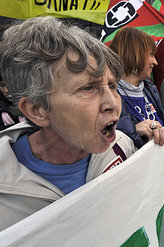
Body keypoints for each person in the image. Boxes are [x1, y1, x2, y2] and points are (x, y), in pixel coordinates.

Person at [0, 17, 136, 231]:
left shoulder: (122, 146)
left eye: (112, 85)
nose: (112, 102)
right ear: (37, 110)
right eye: (88, 88)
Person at [109, 27, 164, 148]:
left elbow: (163, 124)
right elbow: (102, 130)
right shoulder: (108, 94)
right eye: (151, 55)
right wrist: (133, 129)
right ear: (135, 54)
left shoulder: (150, 89)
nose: (155, 62)